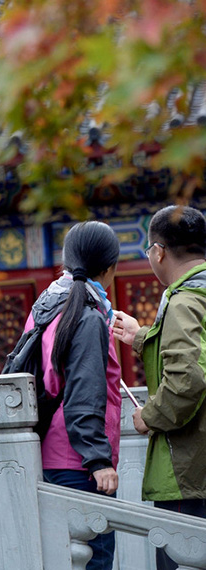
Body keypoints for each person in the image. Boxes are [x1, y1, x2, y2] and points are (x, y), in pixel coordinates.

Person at [112, 205, 206, 570]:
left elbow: (188, 378)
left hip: (189, 470)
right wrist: (141, 338)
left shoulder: (184, 302)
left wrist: (149, 416)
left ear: (158, 252)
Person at [25, 221, 122, 570]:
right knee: (95, 559)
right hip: (78, 460)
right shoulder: (88, 314)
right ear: (109, 267)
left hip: (50, 454)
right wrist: (98, 459)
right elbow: (85, 390)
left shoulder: (47, 305)